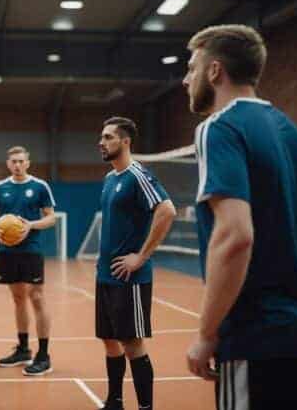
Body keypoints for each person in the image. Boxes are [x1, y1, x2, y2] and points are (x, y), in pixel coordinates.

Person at [183, 24, 297, 410]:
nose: (186, 79)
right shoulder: (294, 135)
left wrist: (207, 332)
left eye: (192, 68)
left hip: (255, 337)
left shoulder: (218, 128)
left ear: (215, 71)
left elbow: (235, 236)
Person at [95, 117, 176, 410]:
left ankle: (145, 408)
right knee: (109, 339)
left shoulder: (138, 175)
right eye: (102, 138)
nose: (101, 143)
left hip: (130, 279)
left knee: (132, 344)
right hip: (106, 275)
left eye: (108, 137)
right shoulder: (109, 178)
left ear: (125, 141)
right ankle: (115, 401)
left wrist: (141, 256)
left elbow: (167, 211)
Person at [0, 146, 57, 376]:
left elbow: (51, 217)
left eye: (21, 161)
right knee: (18, 298)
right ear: (8, 164)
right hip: (7, 251)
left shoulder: (39, 186)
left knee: (36, 296)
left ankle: (44, 354)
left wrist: (31, 226)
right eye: (13, 161)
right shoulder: (0, 187)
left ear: (28, 163)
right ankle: (24, 349)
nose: (17, 165)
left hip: (31, 250)